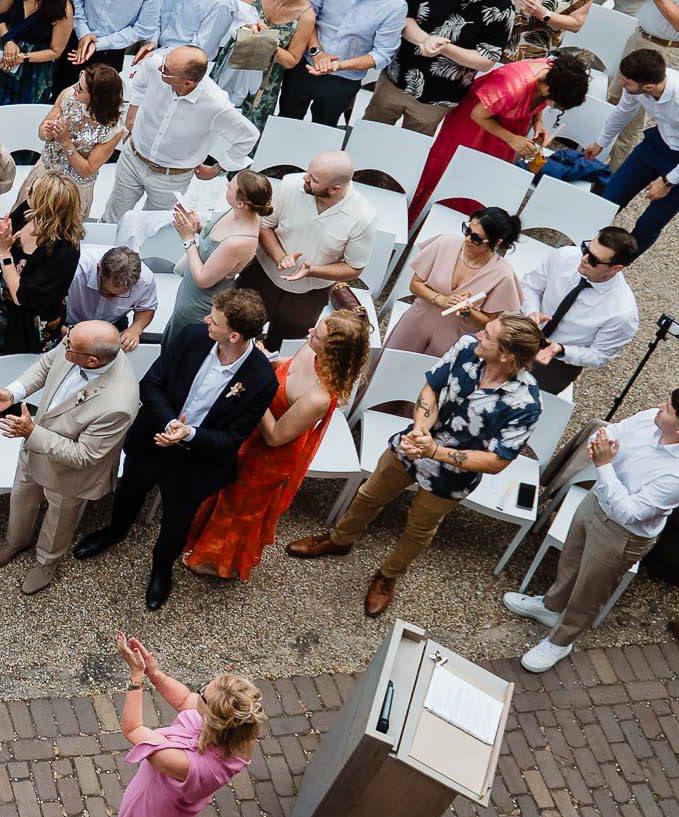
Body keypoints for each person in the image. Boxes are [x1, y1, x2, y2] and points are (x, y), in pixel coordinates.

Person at [291, 314, 546, 615]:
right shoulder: (466, 347)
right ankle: (339, 540)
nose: (478, 335)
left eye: (488, 336)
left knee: (419, 530)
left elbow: (497, 461)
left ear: (506, 356)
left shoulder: (526, 404)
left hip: (453, 475)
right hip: (413, 443)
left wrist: (434, 451)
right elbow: (431, 388)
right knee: (368, 496)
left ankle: (388, 576)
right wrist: (421, 428)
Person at [74, 290, 279, 610]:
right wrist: (171, 424)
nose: (206, 319)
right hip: (154, 436)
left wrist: (190, 435)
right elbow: (152, 383)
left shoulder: (262, 378)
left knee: (177, 520)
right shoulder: (192, 337)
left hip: (197, 460)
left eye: (215, 318)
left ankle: (161, 567)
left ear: (235, 335)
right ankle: (115, 532)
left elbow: (234, 438)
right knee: (130, 489)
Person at [505, 388, 679, 672]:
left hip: (624, 534)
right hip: (596, 502)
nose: (657, 406)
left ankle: (561, 642)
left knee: (590, 590)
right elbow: (609, 433)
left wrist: (604, 465)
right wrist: (600, 449)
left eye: (667, 408)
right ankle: (551, 607)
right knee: (571, 559)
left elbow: (629, 511)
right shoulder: (650, 419)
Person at [186, 298, 371, 580]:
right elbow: (287, 367)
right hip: (251, 430)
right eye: (316, 328)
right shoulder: (311, 350)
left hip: (267, 458)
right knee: (222, 493)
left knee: (238, 507)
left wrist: (253, 390)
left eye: (317, 335)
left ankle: (217, 562)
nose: (310, 332)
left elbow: (274, 437)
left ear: (333, 352)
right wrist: (267, 360)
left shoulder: (317, 398)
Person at [81, 641, 263, 817]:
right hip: (171, 808)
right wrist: (154, 672)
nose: (197, 693)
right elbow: (185, 700)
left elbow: (133, 730)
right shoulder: (239, 735)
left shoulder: (187, 764)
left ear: (212, 720)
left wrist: (136, 678)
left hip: (152, 811)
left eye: (203, 693)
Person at [0, 321, 140, 594]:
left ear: (93, 360)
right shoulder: (77, 345)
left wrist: (31, 432)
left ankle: (47, 562)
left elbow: (84, 456)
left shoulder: (119, 403)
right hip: (34, 445)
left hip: (69, 472)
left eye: (69, 344)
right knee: (22, 495)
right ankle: (16, 541)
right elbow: (45, 366)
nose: (63, 342)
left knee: (59, 518)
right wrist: (12, 393)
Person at [406, 51, 591, 221]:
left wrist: (537, 122)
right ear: (548, 90)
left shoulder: (555, 76)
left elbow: (540, 101)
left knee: (486, 177)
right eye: (556, 105)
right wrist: (512, 139)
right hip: (474, 124)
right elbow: (478, 115)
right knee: (457, 171)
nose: (554, 108)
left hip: (507, 123)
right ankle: (431, 219)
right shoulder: (514, 87)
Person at [366, 0, 513, 133]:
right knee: (370, 134)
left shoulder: (502, 4)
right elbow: (403, 19)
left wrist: (444, 48)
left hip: (440, 96)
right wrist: (426, 41)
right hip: (396, 79)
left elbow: (486, 59)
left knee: (408, 151)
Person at [588, 49, 679, 250]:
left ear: (648, 87)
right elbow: (624, 111)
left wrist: (668, 181)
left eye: (626, 82)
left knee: (648, 225)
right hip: (657, 143)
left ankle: (613, 270)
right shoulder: (637, 84)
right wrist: (601, 142)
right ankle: (584, 249)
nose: (621, 84)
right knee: (608, 200)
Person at [0, 168, 83, 370]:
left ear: (46, 205)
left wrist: (5, 253)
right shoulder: (26, 211)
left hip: (24, 326)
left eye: (33, 192)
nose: (28, 189)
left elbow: (23, 297)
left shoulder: (65, 250)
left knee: (7, 373)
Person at [106, 46, 257, 218]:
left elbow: (248, 137)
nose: (159, 67)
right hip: (132, 159)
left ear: (187, 83)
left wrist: (217, 169)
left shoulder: (217, 105)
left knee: (151, 228)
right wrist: (131, 115)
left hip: (171, 178)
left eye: (166, 70)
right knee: (113, 216)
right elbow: (139, 83)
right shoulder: (155, 65)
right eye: (164, 62)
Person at [280, 0, 404, 126]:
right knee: (285, 122)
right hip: (304, 66)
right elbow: (306, 12)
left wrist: (337, 65)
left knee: (323, 133)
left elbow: (382, 53)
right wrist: (316, 51)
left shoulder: (395, 4)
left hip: (343, 80)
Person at [385, 206, 522, 355]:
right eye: (467, 230)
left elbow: (488, 321)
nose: (468, 239)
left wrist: (469, 312)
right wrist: (440, 299)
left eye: (476, 238)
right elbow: (415, 284)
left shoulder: (502, 275)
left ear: (496, 243)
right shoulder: (445, 243)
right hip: (416, 322)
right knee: (388, 365)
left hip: (453, 339)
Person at [518, 227, 639, 393]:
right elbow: (530, 286)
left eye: (594, 260)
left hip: (556, 365)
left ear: (616, 268)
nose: (584, 258)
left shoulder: (622, 311)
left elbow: (600, 355)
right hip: (523, 333)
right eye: (586, 249)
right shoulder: (566, 256)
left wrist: (561, 350)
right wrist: (531, 311)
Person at [165, 169, 275, 335]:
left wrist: (188, 238)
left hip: (198, 304)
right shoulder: (240, 211)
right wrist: (197, 226)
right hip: (188, 291)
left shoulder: (239, 242)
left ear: (241, 203)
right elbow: (215, 241)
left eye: (230, 187)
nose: (227, 186)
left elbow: (203, 279)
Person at [221, 0, 317, 130]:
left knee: (246, 128)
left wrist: (267, 41)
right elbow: (236, 20)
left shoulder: (306, 15)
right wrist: (248, 26)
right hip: (233, 61)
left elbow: (292, 60)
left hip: (265, 80)